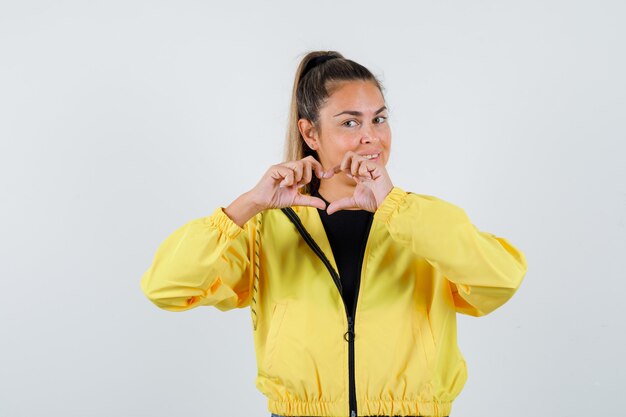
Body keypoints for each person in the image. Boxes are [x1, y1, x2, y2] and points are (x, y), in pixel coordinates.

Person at [140, 50, 528, 417]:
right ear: (310, 134)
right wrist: (246, 206)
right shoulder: (267, 228)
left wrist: (398, 208)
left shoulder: (422, 220)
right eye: (350, 122)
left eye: (379, 118)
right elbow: (166, 287)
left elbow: (500, 280)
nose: (371, 137)